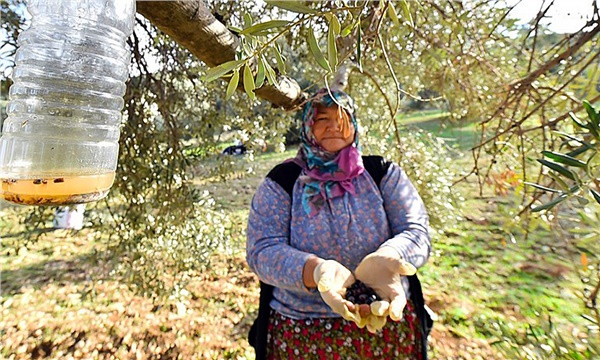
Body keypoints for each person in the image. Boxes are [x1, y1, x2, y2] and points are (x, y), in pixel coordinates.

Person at [246, 88, 431, 359]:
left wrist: (390, 256)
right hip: (303, 333)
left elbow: (416, 231)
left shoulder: (382, 173)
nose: (334, 126)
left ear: (355, 124)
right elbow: (262, 251)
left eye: (343, 117)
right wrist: (316, 270)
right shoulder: (282, 182)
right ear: (307, 125)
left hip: (386, 321)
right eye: (322, 119)